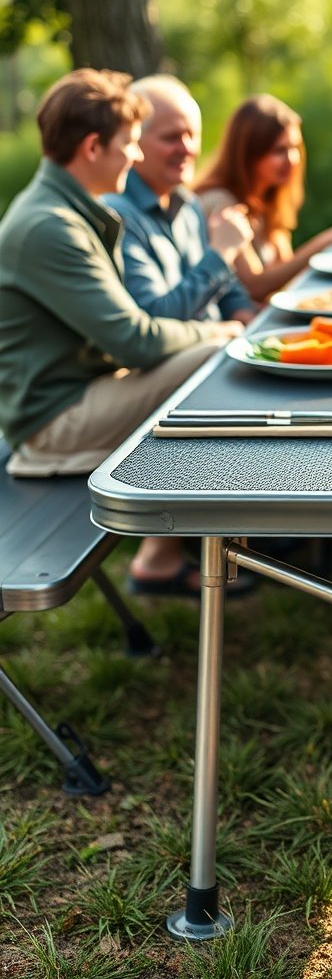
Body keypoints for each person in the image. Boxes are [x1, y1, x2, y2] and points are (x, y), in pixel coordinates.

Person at [0, 69, 243, 595]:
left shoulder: (68, 211)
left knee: (219, 356)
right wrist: (214, 333)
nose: (134, 158)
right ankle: (212, 547)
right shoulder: (50, 227)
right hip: (52, 422)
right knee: (220, 356)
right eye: (129, 144)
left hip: (84, 391)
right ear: (92, 148)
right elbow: (135, 341)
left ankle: (202, 542)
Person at [195, 94, 332, 302]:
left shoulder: (268, 199)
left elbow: (286, 274)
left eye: (295, 148)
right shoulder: (220, 202)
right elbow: (255, 285)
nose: (292, 160)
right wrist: (328, 240)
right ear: (249, 152)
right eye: (279, 150)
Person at [104, 75, 257, 324]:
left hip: (221, 347)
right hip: (187, 356)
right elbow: (156, 316)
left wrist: (251, 327)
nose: (186, 148)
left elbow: (227, 291)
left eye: (192, 135)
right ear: (134, 140)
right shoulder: (116, 214)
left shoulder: (189, 203)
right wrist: (222, 251)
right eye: (171, 137)